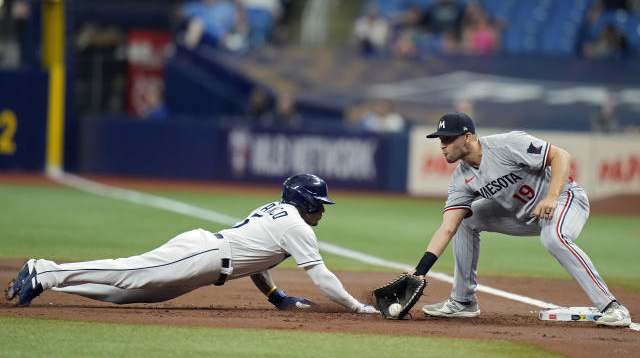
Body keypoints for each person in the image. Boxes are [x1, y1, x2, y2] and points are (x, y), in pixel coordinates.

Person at [5, 174, 379, 314]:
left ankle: (52, 278)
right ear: (306, 202)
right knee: (130, 273)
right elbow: (322, 277)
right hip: (204, 255)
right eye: (320, 204)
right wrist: (356, 307)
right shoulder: (298, 227)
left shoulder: (277, 213)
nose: (322, 211)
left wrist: (276, 297)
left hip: (206, 262)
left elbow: (258, 260)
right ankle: (46, 271)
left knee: (125, 295)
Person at [408, 112, 631, 327]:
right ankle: (463, 301)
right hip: (523, 213)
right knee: (466, 219)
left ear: (467, 137)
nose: (442, 145)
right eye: (440, 139)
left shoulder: (506, 144)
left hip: (565, 199)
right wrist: (420, 270)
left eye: (448, 138)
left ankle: (612, 307)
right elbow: (448, 227)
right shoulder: (461, 178)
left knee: (553, 238)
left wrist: (552, 197)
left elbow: (561, 156)